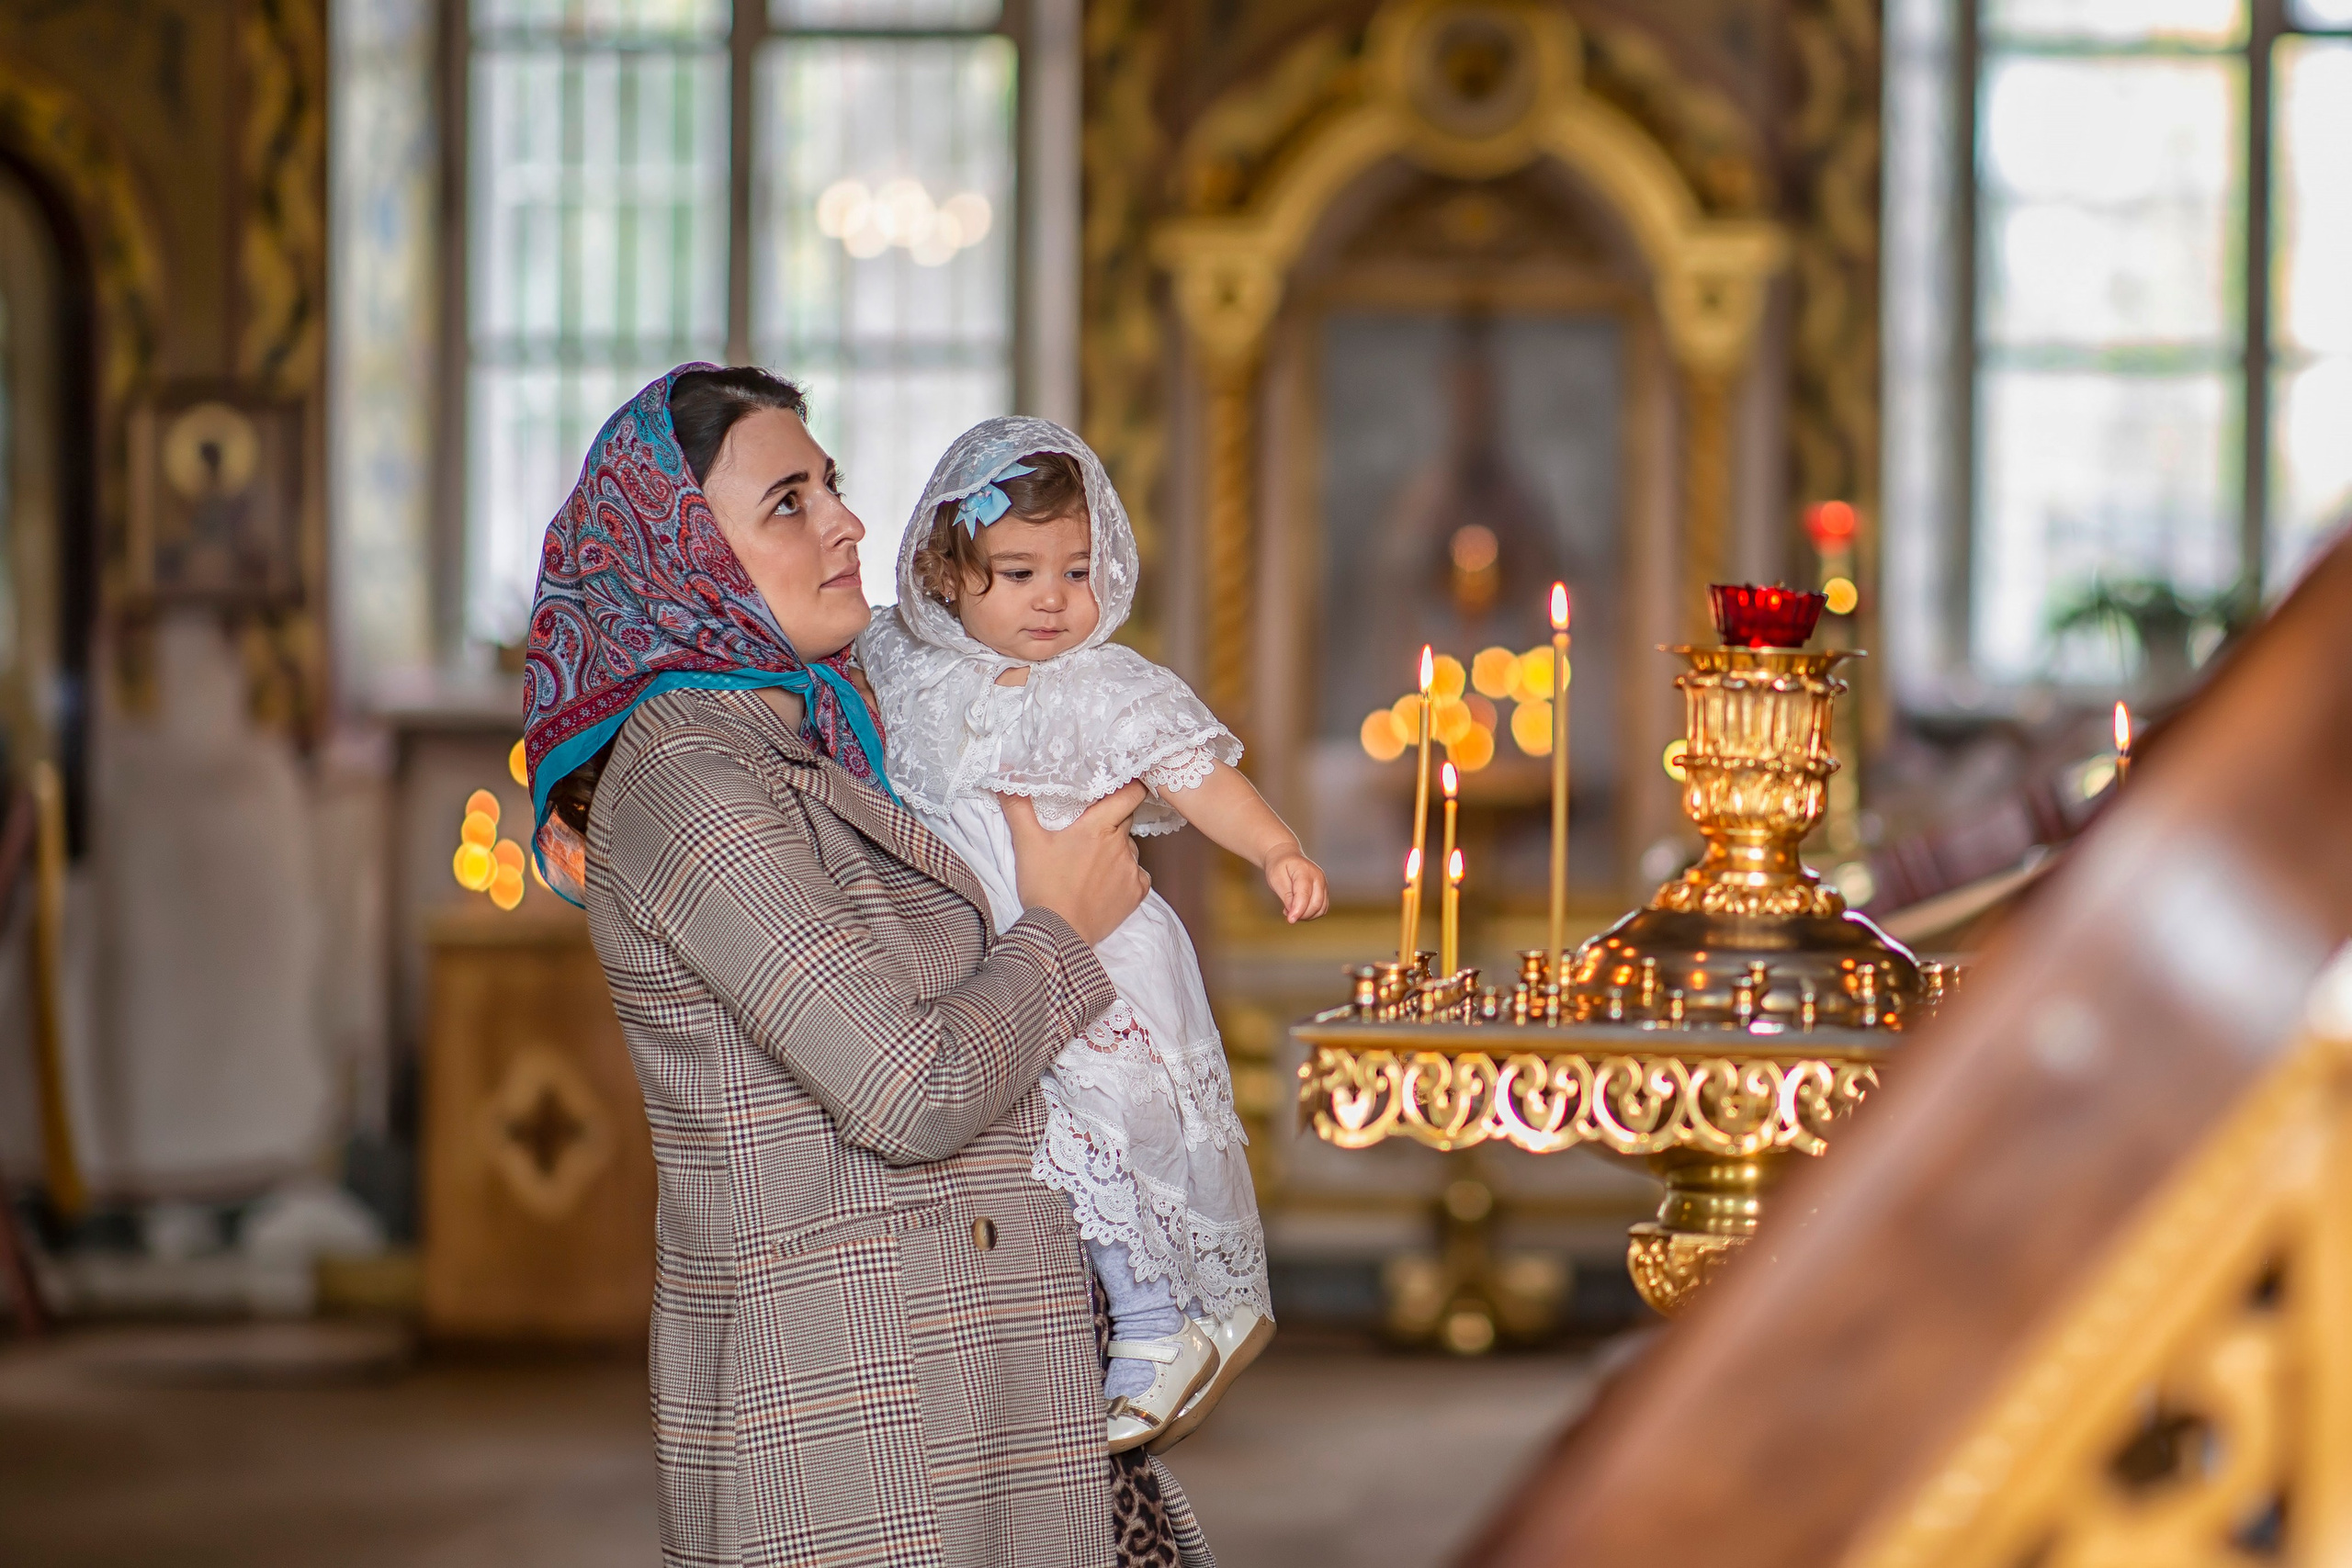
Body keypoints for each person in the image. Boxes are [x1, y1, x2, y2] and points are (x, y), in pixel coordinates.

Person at [523, 367, 1213, 1567]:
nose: (845, 519)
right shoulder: (691, 778)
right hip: (863, 1409)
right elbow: (909, 1084)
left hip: (958, 1371)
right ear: (681, 558)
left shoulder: (815, 728)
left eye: (831, 484)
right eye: (787, 502)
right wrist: (1061, 927)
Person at [859, 417, 1328, 1455]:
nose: (1052, 598)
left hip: (1101, 952)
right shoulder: (905, 668)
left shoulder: (1104, 686)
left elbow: (1194, 773)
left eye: (1075, 569)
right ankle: (1198, 1316)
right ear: (946, 575)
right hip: (1003, 952)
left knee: (1106, 1133)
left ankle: (1162, 1326)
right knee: (1059, 1143)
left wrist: (1276, 847)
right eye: (1017, 571)